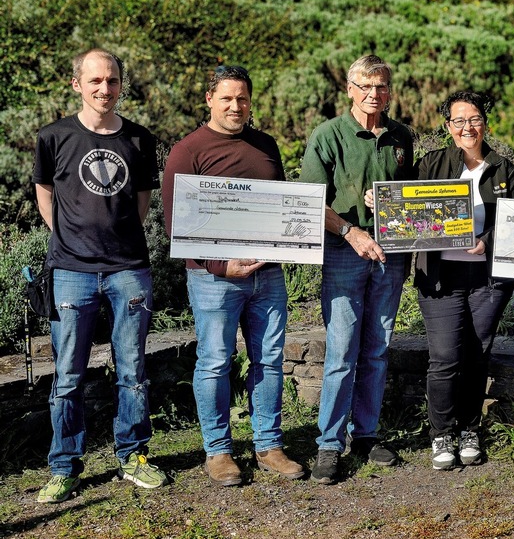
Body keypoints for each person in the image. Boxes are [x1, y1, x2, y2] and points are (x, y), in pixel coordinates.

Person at [33, 49, 169, 503]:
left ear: (120, 84)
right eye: (95, 81)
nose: (104, 89)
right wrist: (71, 241)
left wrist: (116, 242)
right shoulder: (53, 136)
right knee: (67, 375)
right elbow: (45, 194)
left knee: (132, 370)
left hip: (129, 270)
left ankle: (133, 456)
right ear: (77, 84)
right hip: (70, 272)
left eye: (112, 81)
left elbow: (142, 202)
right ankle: (65, 467)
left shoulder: (139, 139)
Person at [162, 65, 305, 487]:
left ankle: (269, 445)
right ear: (209, 99)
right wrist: (221, 265)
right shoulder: (188, 151)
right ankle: (219, 451)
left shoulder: (265, 145)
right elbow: (177, 223)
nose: (235, 106)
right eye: (226, 98)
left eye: (242, 98)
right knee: (214, 363)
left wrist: (283, 246)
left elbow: (279, 206)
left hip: (267, 276)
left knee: (269, 360)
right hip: (214, 280)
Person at [300, 54, 416, 485]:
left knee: (377, 348)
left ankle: (365, 433)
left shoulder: (401, 137)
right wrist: (351, 230)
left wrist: (394, 203)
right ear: (349, 88)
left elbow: (415, 198)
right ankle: (330, 444)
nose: (374, 95)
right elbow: (312, 200)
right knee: (342, 349)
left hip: (390, 255)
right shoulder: (328, 136)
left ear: (389, 91)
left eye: (381, 87)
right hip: (346, 253)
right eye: (365, 86)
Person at [413, 91, 514, 470]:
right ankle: (441, 434)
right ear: (448, 127)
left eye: (474, 119)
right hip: (440, 276)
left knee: (477, 356)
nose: (467, 127)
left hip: (487, 279)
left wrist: (487, 242)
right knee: (444, 357)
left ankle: (469, 429)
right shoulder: (431, 164)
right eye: (459, 121)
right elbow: (408, 210)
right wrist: (380, 203)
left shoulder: (504, 170)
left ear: (485, 123)